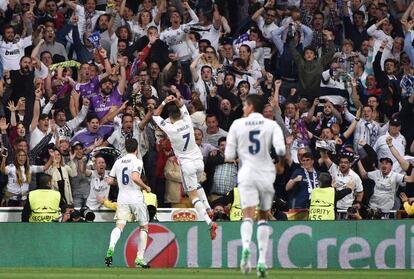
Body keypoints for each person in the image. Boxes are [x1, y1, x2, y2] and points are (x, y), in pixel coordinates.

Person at [225, 94, 285, 277]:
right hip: (265, 173)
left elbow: (228, 155)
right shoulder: (271, 125)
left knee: (248, 216)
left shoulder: (237, 124)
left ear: (251, 106)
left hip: (247, 174)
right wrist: (281, 162)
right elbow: (281, 149)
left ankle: (245, 248)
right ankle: (261, 261)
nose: (243, 108)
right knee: (264, 216)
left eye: (245, 105)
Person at [152, 94, 217, 240]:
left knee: (192, 194)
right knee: (197, 185)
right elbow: (182, 105)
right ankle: (208, 208)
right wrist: (175, 99)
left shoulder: (171, 128)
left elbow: (155, 115)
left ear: (170, 117)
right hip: (199, 161)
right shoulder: (188, 121)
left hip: (186, 164)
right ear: (180, 114)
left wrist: (164, 101)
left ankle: (209, 222)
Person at [104, 138, 151, 268]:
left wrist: (119, 182)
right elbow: (135, 177)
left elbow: (109, 181)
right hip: (136, 197)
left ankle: (111, 247)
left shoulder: (118, 162)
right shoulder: (137, 161)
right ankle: (140, 258)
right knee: (144, 227)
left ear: (125, 148)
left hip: (122, 198)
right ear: (137, 149)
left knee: (119, 226)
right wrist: (145, 187)